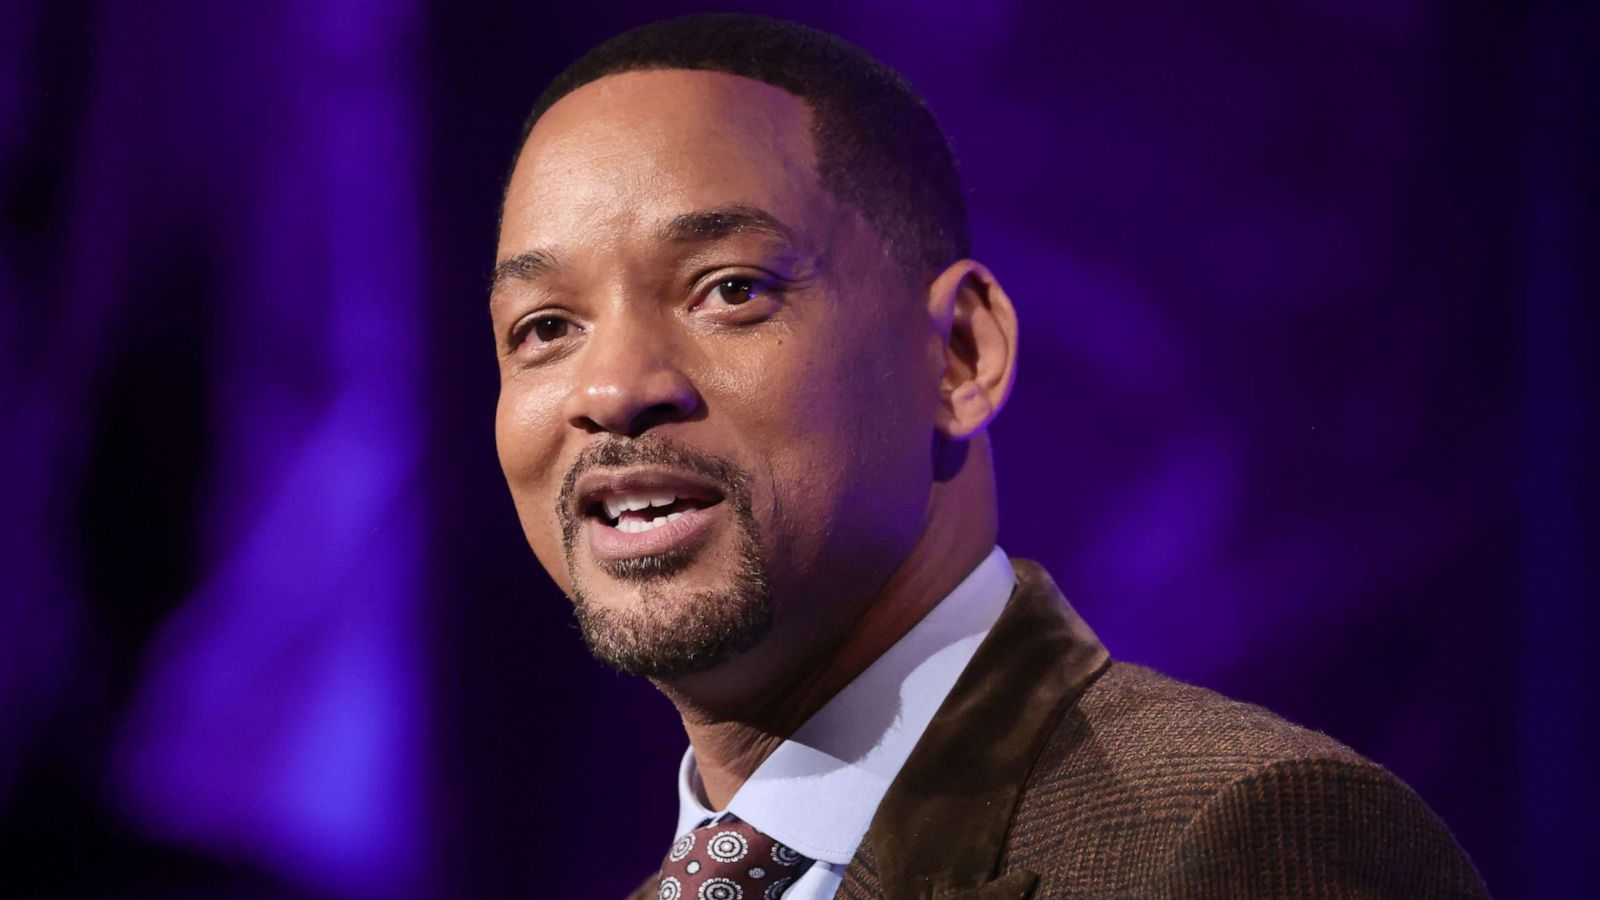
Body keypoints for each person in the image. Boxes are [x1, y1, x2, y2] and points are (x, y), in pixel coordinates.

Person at [489, 13, 1489, 899]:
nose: (612, 388)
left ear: (961, 355)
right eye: (543, 327)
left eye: (731, 288)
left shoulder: (1236, 837)